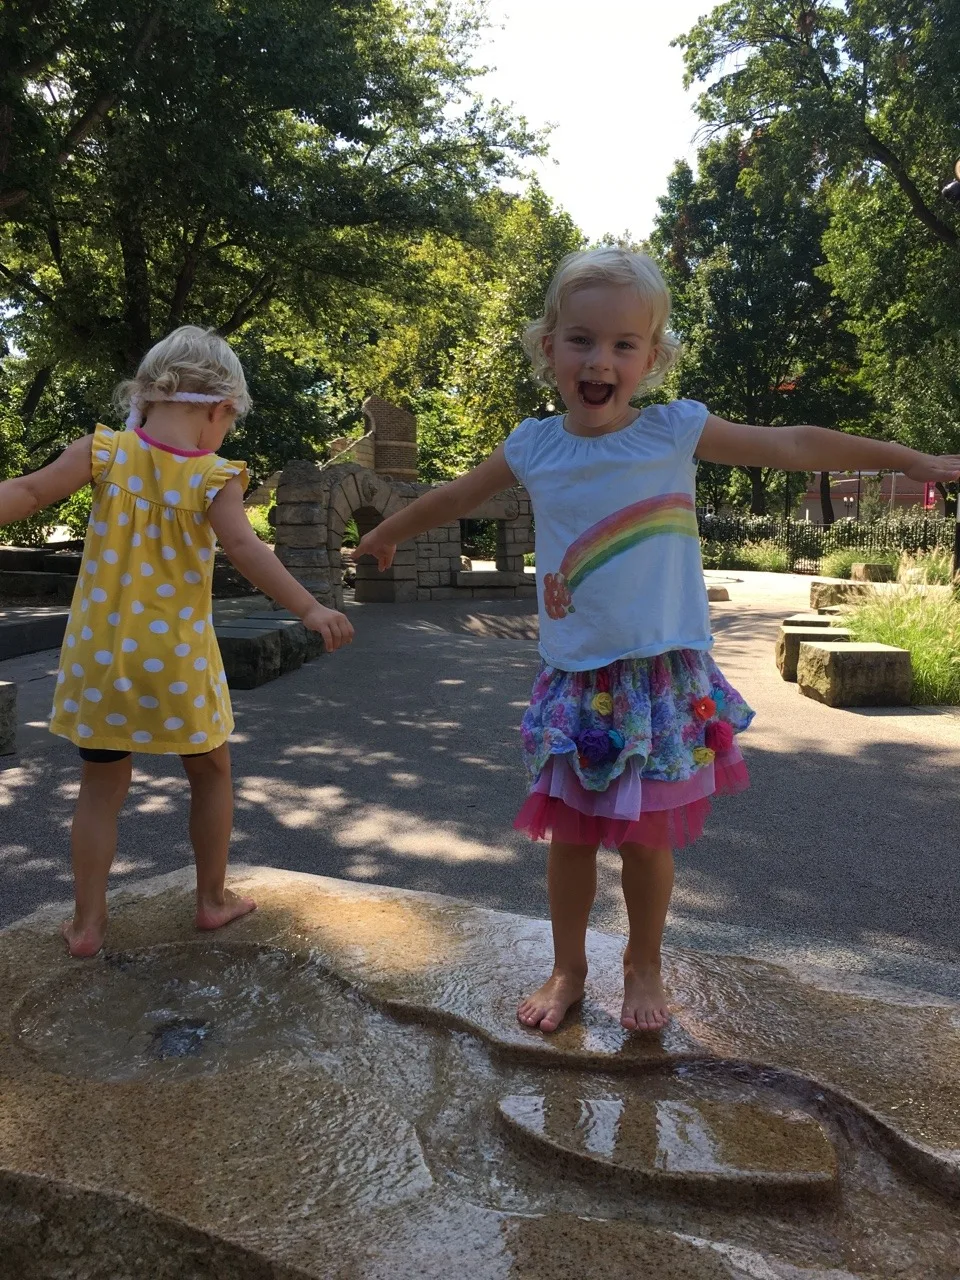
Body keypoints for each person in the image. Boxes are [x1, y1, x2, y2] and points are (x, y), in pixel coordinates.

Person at [353, 246, 960, 1036]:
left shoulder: (673, 432)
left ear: (651, 357)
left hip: (660, 680)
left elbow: (797, 444)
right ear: (549, 347)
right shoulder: (535, 445)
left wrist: (918, 461)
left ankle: (643, 961)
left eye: (622, 345)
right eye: (581, 339)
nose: (599, 359)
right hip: (577, 680)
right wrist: (390, 533)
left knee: (645, 841)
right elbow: (458, 493)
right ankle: (568, 966)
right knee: (569, 838)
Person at [0, 326, 354, 958]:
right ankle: (212, 900)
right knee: (211, 769)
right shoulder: (214, 476)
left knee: (102, 785)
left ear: (150, 393)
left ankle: (86, 924)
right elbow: (245, 550)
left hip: (101, 656)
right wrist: (310, 606)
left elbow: (25, 493)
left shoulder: (102, 454)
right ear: (219, 409)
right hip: (176, 658)